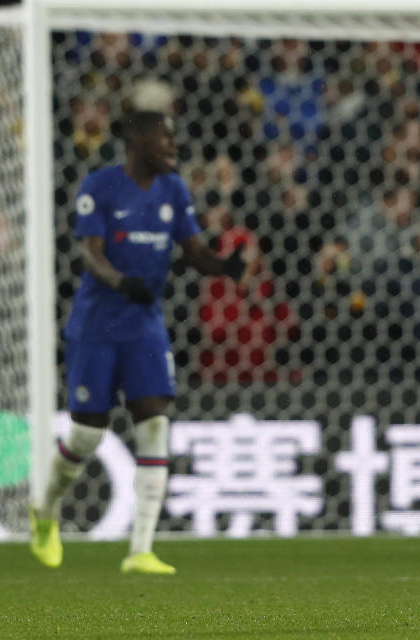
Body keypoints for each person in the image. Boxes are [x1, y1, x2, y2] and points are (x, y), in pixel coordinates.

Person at [29, 110, 254, 574]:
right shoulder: (99, 186)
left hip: (145, 325)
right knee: (88, 433)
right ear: (136, 141)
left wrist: (224, 267)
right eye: (164, 139)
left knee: (154, 423)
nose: (173, 147)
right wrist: (119, 281)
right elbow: (90, 255)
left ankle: (141, 550)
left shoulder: (173, 190)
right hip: (96, 326)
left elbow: (193, 253)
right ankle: (44, 509)